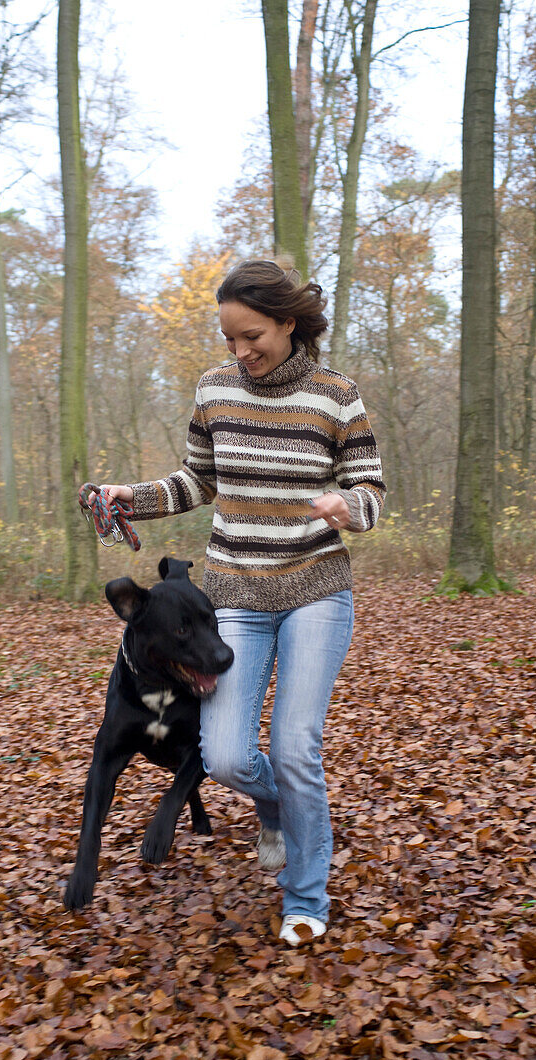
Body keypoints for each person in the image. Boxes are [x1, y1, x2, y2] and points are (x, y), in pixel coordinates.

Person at [93, 259, 385, 945]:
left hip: (314, 588)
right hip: (235, 598)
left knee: (295, 745)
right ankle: (282, 809)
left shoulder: (336, 396)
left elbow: (371, 487)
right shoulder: (216, 390)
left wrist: (349, 507)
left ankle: (305, 896)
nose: (240, 351)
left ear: (289, 323)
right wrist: (134, 496)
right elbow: (197, 480)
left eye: (251, 335)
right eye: (229, 338)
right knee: (224, 757)